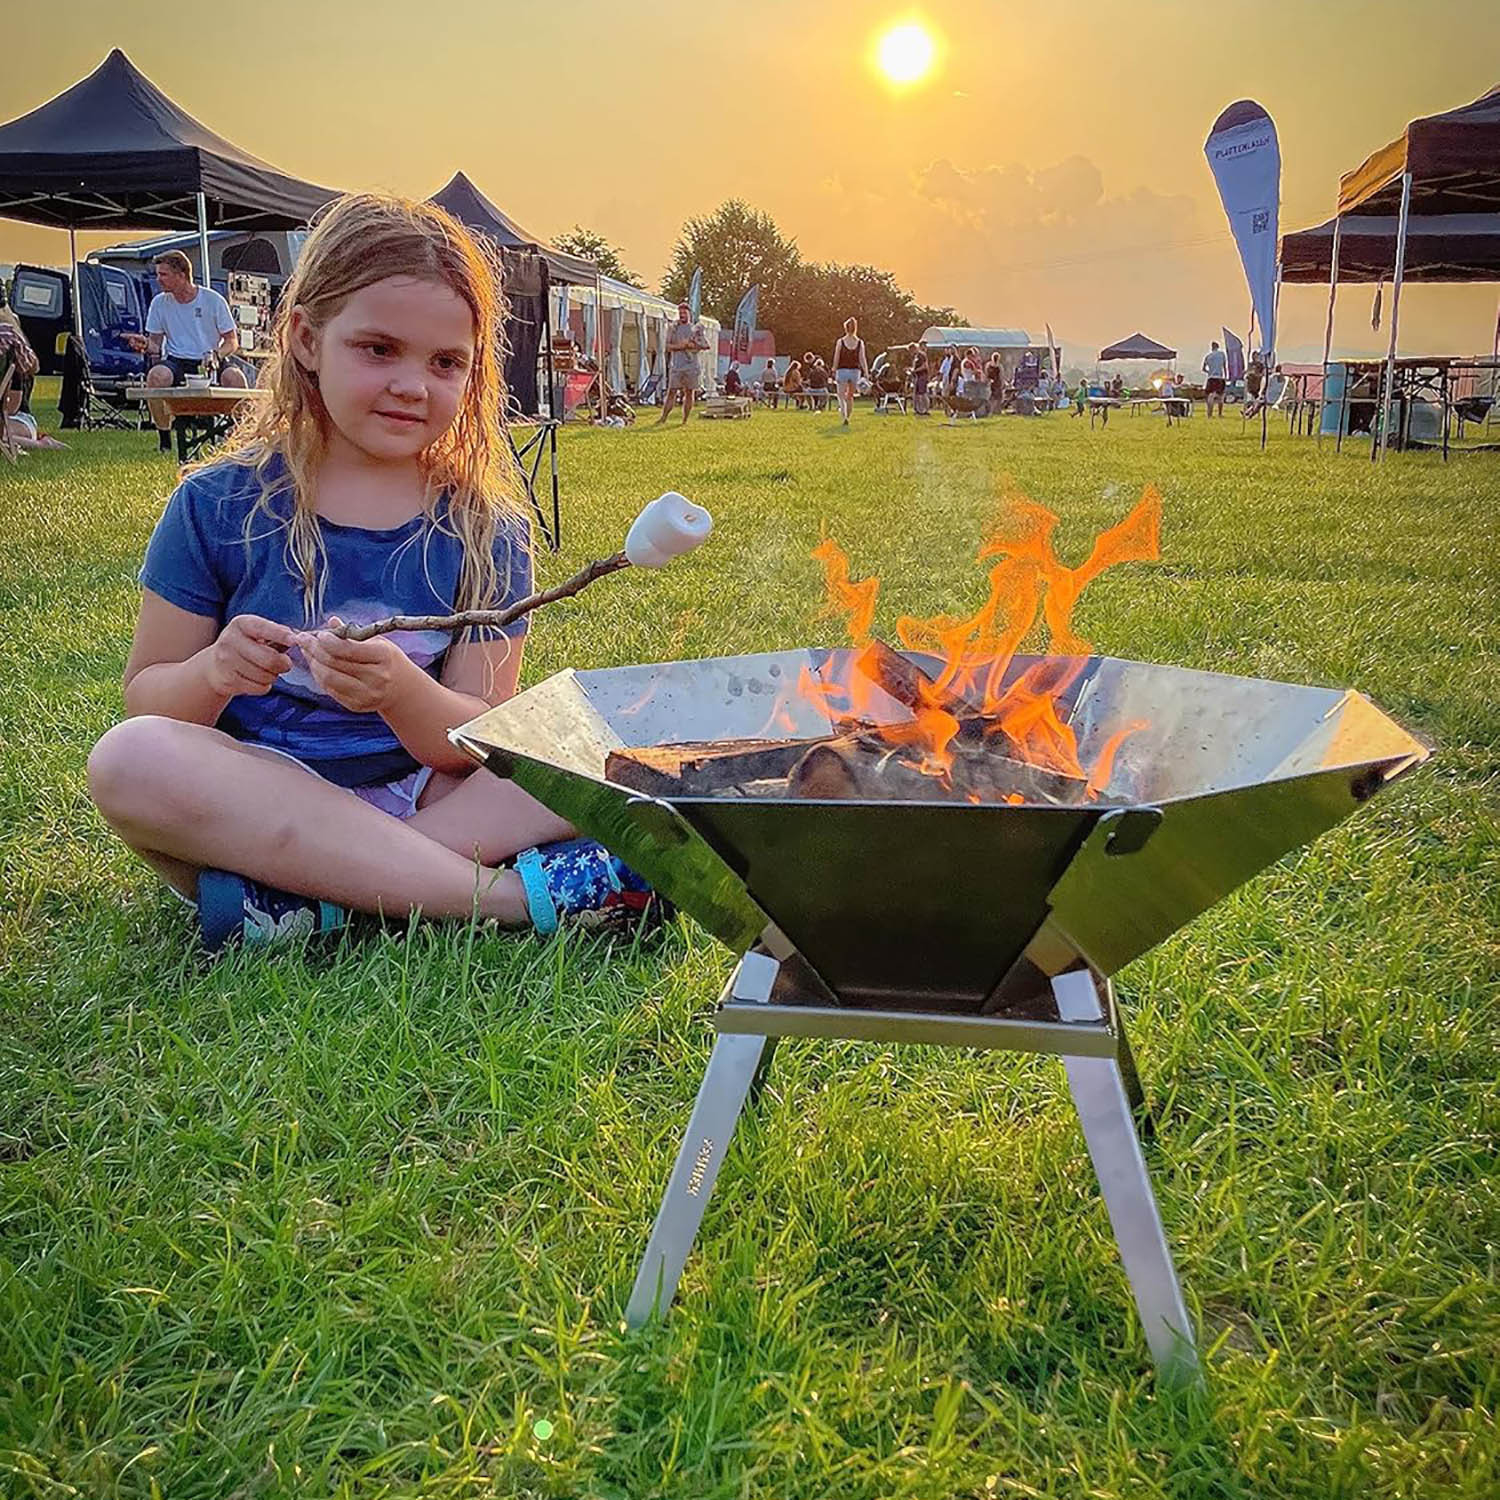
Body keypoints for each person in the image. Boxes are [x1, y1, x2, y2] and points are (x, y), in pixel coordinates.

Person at [86, 193, 660, 951]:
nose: (413, 384)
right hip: (253, 800)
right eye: (378, 349)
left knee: (610, 735)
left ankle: (316, 898)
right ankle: (510, 902)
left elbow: (472, 742)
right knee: (131, 760)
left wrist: (401, 692)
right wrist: (216, 671)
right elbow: (147, 702)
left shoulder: (487, 529)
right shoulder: (216, 504)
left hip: (434, 799)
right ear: (304, 340)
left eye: (446, 362)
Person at [126, 250, 248, 455]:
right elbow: (155, 345)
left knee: (235, 378)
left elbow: (232, 340)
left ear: (181, 275)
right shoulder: (159, 303)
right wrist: (144, 345)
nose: (158, 280)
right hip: (177, 361)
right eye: (158, 274)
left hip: (210, 358)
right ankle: (164, 439)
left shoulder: (213, 300)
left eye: (163, 275)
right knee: (156, 377)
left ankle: (242, 437)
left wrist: (216, 355)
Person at [656, 301, 707, 425]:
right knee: (672, 391)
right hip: (677, 366)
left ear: (689, 314)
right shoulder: (673, 328)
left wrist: (691, 345)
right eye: (680, 313)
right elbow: (667, 347)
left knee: (689, 392)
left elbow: (705, 345)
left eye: (684, 313)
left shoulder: (696, 329)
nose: (682, 315)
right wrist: (680, 346)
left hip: (692, 366)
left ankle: (685, 420)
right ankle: (663, 417)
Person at [831, 318, 868, 426]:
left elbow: (836, 357)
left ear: (845, 328)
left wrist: (834, 368)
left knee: (841, 395)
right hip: (855, 372)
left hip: (842, 370)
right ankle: (848, 415)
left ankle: (844, 417)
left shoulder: (840, 341)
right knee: (850, 396)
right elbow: (862, 358)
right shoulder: (860, 342)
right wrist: (866, 372)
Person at [1202, 339, 1228, 417]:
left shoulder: (1208, 356)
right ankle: (1220, 414)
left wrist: (1209, 372)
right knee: (1221, 396)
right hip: (1219, 377)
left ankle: (1209, 413)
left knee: (1210, 396)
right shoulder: (1222, 354)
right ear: (1218, 347)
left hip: (1211, 377)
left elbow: (1203, 368)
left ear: (1212, 347)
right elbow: (1224, 366)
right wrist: (1225, 376)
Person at [911, 347, 930, 415]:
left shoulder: (921, 355)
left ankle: (925, 409)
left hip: (922, 376)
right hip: (917, 376)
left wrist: (915, 370)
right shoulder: (916, 356)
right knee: (917, 393)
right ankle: (918, 409)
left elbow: (925, 366)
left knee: (922, 393)